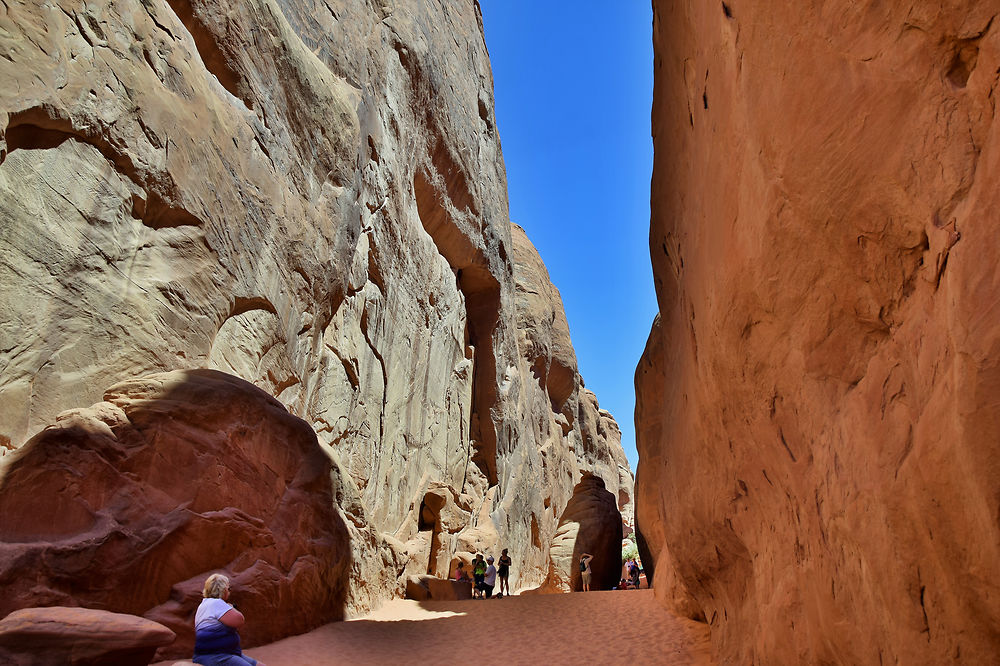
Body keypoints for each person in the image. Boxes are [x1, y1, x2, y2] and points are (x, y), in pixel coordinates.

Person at [192, 573, 266, 666]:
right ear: (222, 589)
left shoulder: (204, 604)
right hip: (218, 656)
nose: (229, 591)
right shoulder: (216, 603)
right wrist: (231, 607)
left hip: (225, 653)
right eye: (228, 588)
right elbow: (239, 620)